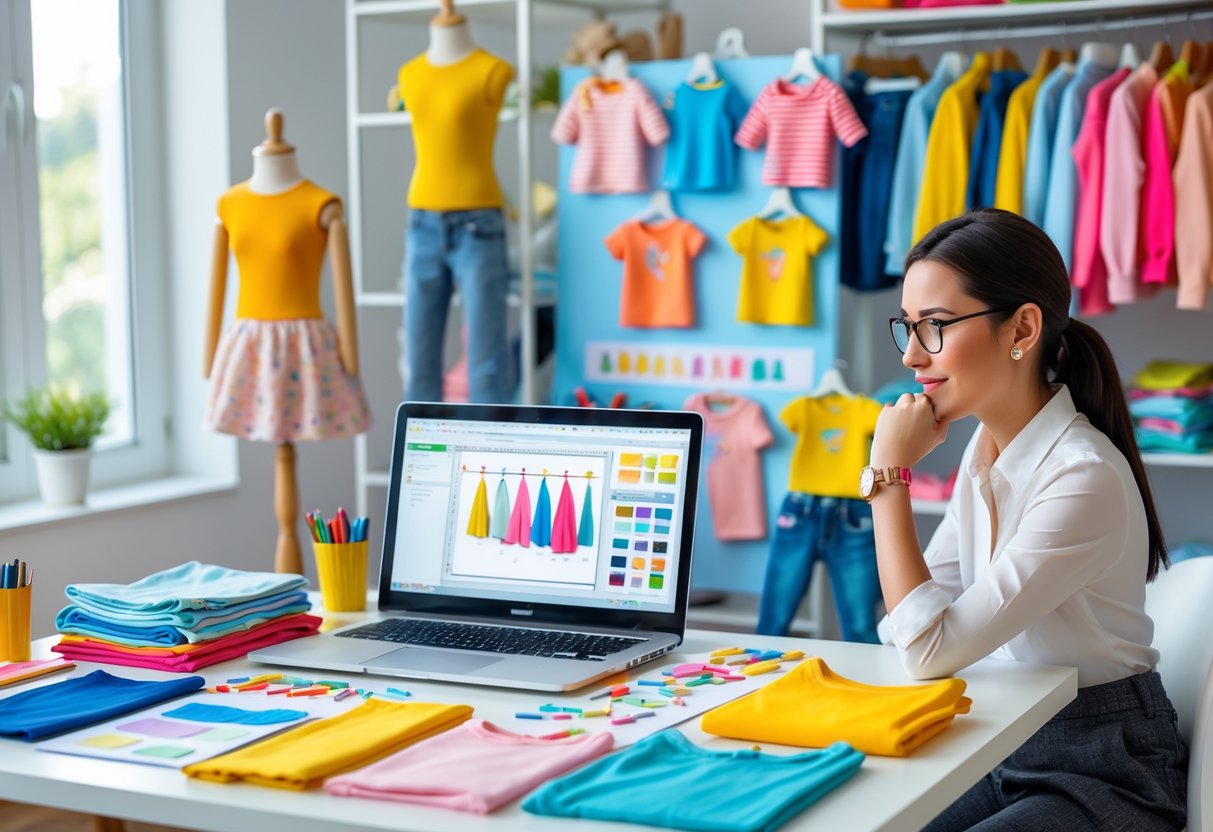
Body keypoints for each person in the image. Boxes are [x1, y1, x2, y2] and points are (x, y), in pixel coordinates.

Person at [863, 208, 1187, 830]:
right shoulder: (983, 454)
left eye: (934, 326)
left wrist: (889, 479)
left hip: (1102, 770)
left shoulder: (1081, 474)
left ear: (1023, 327)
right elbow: (906, 631)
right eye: (906, 327)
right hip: (994, 743)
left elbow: (929, 647)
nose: (911, 357)